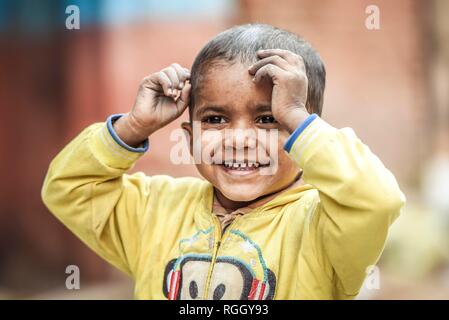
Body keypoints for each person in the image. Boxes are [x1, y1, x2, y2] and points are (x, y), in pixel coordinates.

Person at [42, 24, 405, 299]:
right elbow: (67, 187)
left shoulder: (322, 226)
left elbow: (376, 200)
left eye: (268, 119)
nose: (239, 139)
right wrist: (134, 126)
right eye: (215, 119)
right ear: (189, 138)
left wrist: (297, 114)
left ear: (303, 136)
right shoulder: (155, 210)